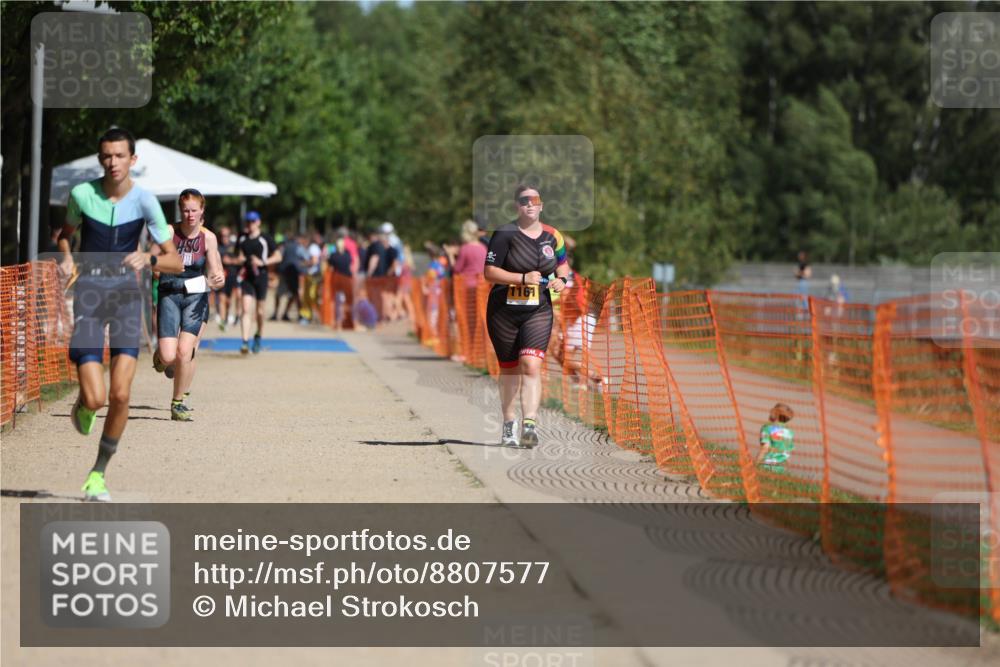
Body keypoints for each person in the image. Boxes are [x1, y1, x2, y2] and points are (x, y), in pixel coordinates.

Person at [57, 127, 184, 502]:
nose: (113, 162)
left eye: (119, 155)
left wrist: (149, 257)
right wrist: (66, 257)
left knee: (122, 394)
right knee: (96, 398)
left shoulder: (145, 202)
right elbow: (64, 233)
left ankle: (97, 474)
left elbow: (174, 260)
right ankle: (84, 404)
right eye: (106, 156)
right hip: (91, 299)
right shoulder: (82, 194)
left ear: (133, 159)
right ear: (101, 159)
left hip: (128, 299)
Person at [484, 186, 571, 448]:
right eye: (524, 201)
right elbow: (489, 272)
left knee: (531, 365)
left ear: (541, 206)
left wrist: (563, 279)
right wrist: (521, 278)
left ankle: (529, 424)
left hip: (538, 310)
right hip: (503, 311)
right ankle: (509, 423)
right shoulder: (504, 234)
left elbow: (563, 264)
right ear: (516, 206)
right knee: (509, 369)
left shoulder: (553, 236)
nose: (530, 205)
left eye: (535, 201)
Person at [151, 189, 224, 421]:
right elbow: (152, 262)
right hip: (170, 295)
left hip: (195, 298)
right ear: (180, 211)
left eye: (194, 210)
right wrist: (162, 267)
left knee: (186, 351)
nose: (190, 215)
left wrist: (218, 278)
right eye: (186, 210)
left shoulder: (208, 238)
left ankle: (177, 403)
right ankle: (161, 359)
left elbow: (215, 271)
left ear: (202, 210)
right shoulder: (168, 232)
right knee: (168, 356)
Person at [237, 211, 282, 354]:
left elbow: (278, 256)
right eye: (248, 221)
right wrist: (241, 260)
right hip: (247, 277)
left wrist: (263, 262)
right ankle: (244, 342)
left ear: (258, 222)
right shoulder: (242, 238)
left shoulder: (265, 238)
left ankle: (258, 335)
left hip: (261, 276)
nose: (250, 224)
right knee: (245, 308)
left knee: (260, 312)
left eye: (253, 221)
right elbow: (239, 255)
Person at [327, 232, 355, 329]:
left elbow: (330, 267)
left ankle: (339, 321)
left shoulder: (333, 256)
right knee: (346, 301)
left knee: (338, 302)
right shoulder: (348, 255)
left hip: (338, 280)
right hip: (347, 279)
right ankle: (346, 321)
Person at [216, 225, 242, 331]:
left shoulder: (234, 246)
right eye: (222, 236)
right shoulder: (217, 247)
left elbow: (241, 259)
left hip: (234, 276)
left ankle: (234, 316)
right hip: (222, 276)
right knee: (222, 299)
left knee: (230, 300)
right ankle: (222, 321)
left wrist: (231, 261)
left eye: (226, 235)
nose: (224, 237)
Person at [756, 403, 795, 473]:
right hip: (781, 468)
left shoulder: (767, 428)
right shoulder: (790, 433)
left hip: (766, 466)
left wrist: (757, 463)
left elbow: (765, 447)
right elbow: (788, 453)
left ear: (775, 414)